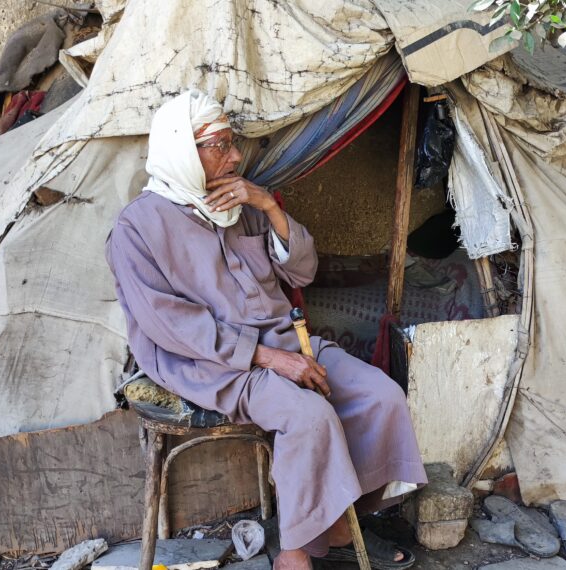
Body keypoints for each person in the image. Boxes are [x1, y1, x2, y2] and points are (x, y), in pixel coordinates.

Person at [106, 90, 427, 570]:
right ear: (183, 150)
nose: (235, 155)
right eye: (219, 145)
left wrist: (269, 206)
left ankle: (339, 523)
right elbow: (168, 325)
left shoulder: (243, 202)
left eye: (232, 143)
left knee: (381, 396)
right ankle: (294, 552)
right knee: (308, 416)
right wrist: (269, 358)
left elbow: (302, 273)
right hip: (214, 363)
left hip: (287, 340)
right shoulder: (137, 228)